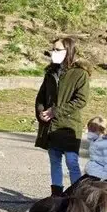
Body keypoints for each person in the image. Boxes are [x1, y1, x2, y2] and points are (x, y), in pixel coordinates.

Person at [34, 37, 92, 196]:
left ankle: (77, 196)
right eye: (53, 49)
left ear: (68, 51)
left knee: (72, 162)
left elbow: (81, 100)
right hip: (51, 126)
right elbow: (41, 97)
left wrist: (56, 111)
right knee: (54, 161)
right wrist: (41, 112)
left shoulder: (80, 74)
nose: (54, 52)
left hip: (69, 126)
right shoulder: (51, 72)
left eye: (57, 50)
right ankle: (56, 195)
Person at [84, 116, 107, 181]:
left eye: (92, 130)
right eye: (89, 129)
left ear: (100, 130)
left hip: (99, 178)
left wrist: (105, 180)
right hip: (91, 174)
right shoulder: (95, 140)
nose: (89, 132)